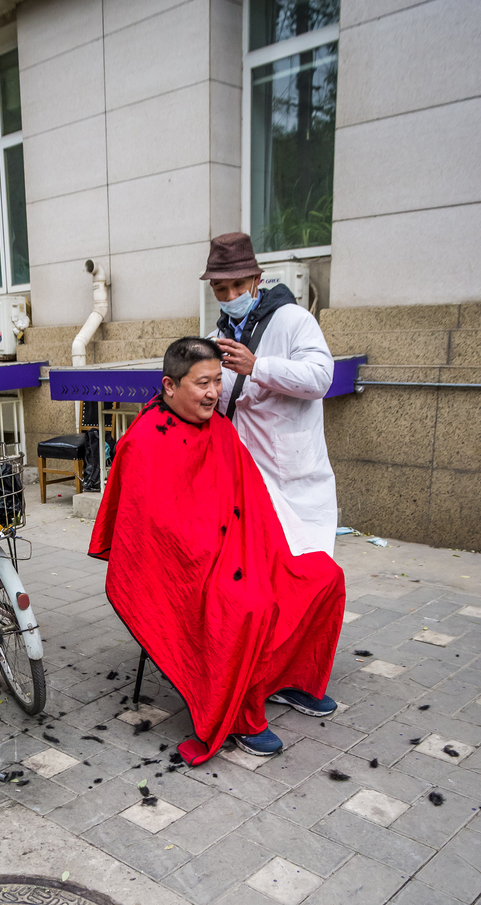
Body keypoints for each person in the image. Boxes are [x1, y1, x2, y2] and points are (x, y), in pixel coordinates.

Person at [88, 337, 345, 762]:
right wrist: (214, 556)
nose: (213, 393)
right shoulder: (144, 441)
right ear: (170, 386)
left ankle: (284, 680)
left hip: (243, 551)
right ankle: (242, 716)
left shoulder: (219, 428)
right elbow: (153, 530)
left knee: (323, 577)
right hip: (184, 567)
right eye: (202, 383)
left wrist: (266, 549)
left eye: (218, 382)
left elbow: (252, 498)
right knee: (247, 604)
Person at [202, 230, 341, 720]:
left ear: (257, 280)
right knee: (260, 586)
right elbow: (217, 397)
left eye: (238, 286)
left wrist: (259, 366)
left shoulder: (294, 320)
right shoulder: (219, 329)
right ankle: (264, 676)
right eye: (221, 289)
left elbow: (320, 378)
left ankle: (298, 679)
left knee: (311, 580)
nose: (231, 297)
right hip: (246, 477)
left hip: (297, 476)